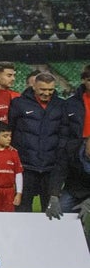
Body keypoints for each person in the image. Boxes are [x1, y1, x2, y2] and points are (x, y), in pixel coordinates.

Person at [8, 73, 68, 212]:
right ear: (34, 86)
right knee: (22, 209)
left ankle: (49, 235)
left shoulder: (61, 105)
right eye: (43, 89)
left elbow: (64, 134)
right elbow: (10, 129)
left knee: (50, 212)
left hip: (50, 168)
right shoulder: (19, 103)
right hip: (26, 167)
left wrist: (58, 154)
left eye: (50, 90)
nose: (47, 93)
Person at [46, 67, 90, 246]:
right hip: (74, 188)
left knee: (87, 215)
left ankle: (85, 250)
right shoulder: (71, 149)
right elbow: (59, 172)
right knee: (59, 211)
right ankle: (58, 247)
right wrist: (54, 196)